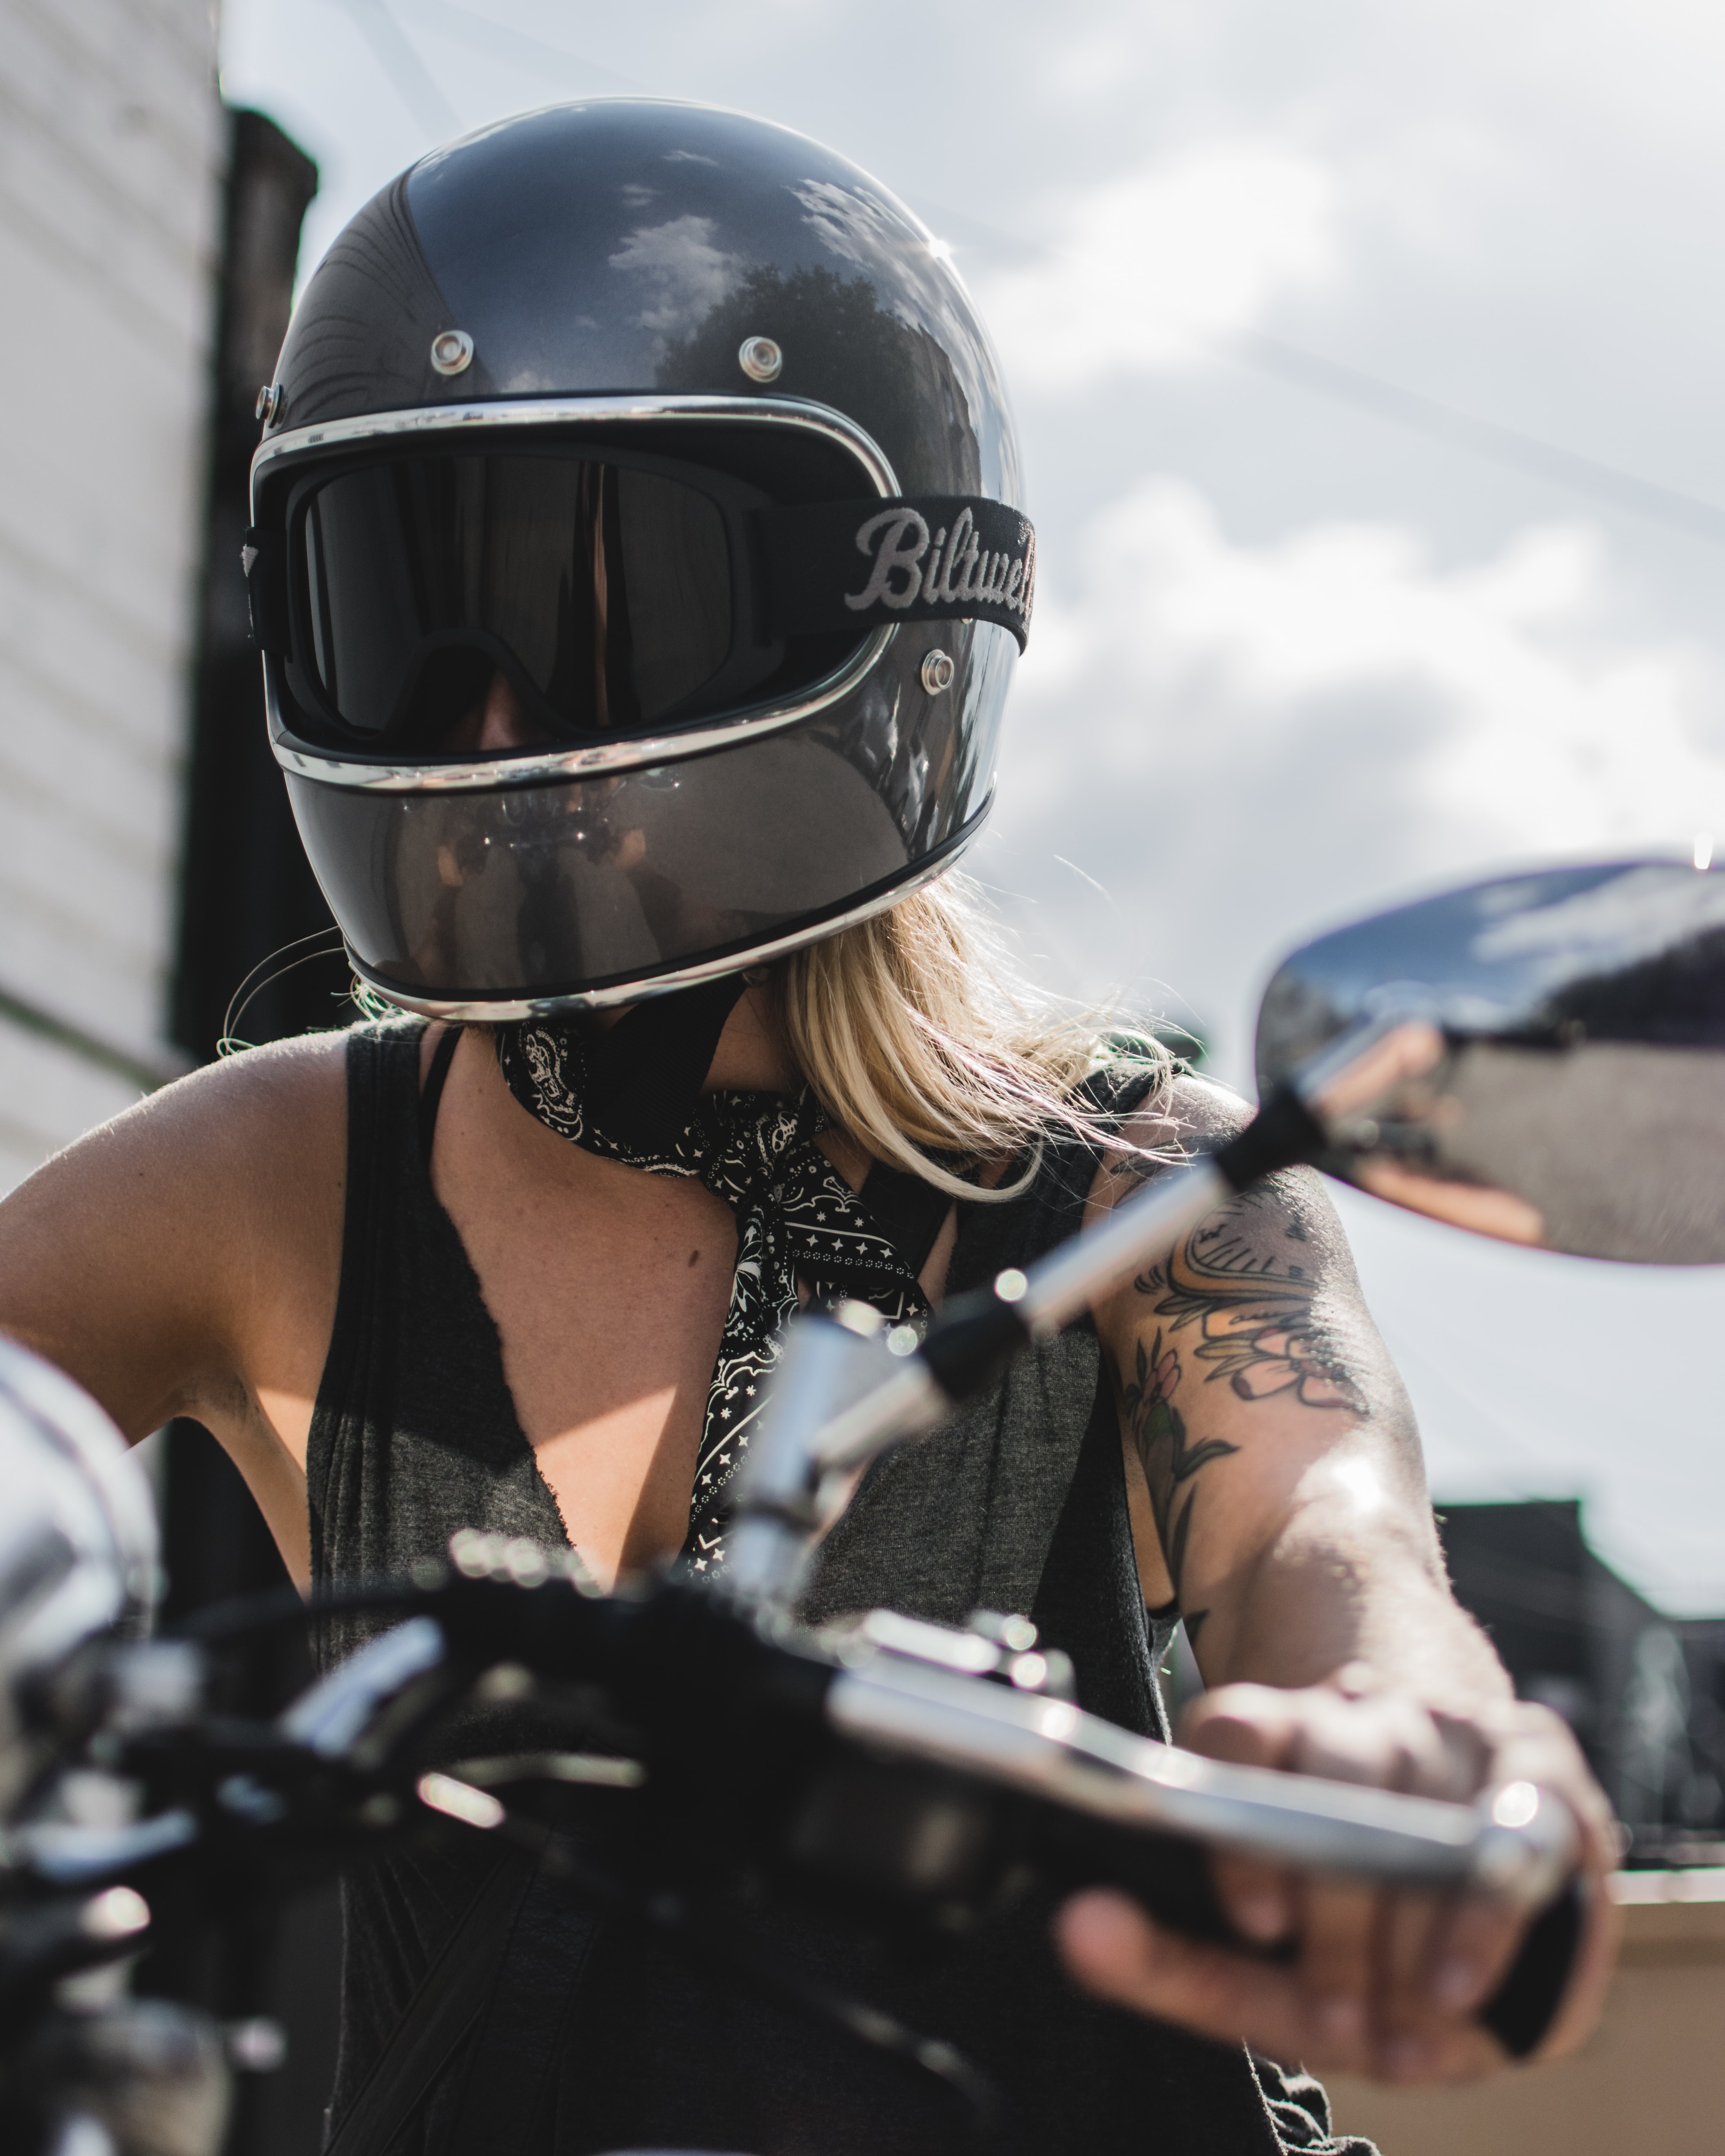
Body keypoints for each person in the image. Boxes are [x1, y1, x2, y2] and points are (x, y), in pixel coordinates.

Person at [0, 100, 1614, 2156]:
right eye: (420, 618)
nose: (496, 726)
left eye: (585, 602)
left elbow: (1326, 1530)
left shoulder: (1142, 1182)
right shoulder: (273, 1179)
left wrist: (1414, 1730)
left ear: (871, 590)